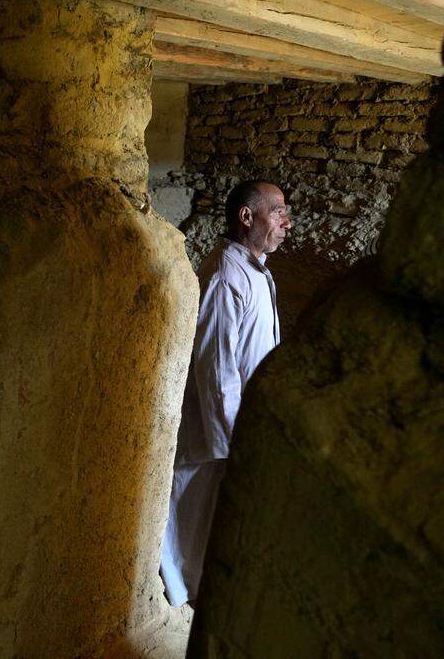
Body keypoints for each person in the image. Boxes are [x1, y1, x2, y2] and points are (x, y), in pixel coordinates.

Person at [160, 180, 291, 607]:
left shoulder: (255, 270)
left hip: (238, 423)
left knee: (207, 516)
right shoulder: (224, 273)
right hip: (218, 431)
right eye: (277, 211)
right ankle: (180, 592)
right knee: (191, 513)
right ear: (246, 217)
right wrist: (231, 440)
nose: (286, 222)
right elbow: (217, 369)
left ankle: (194, 588)